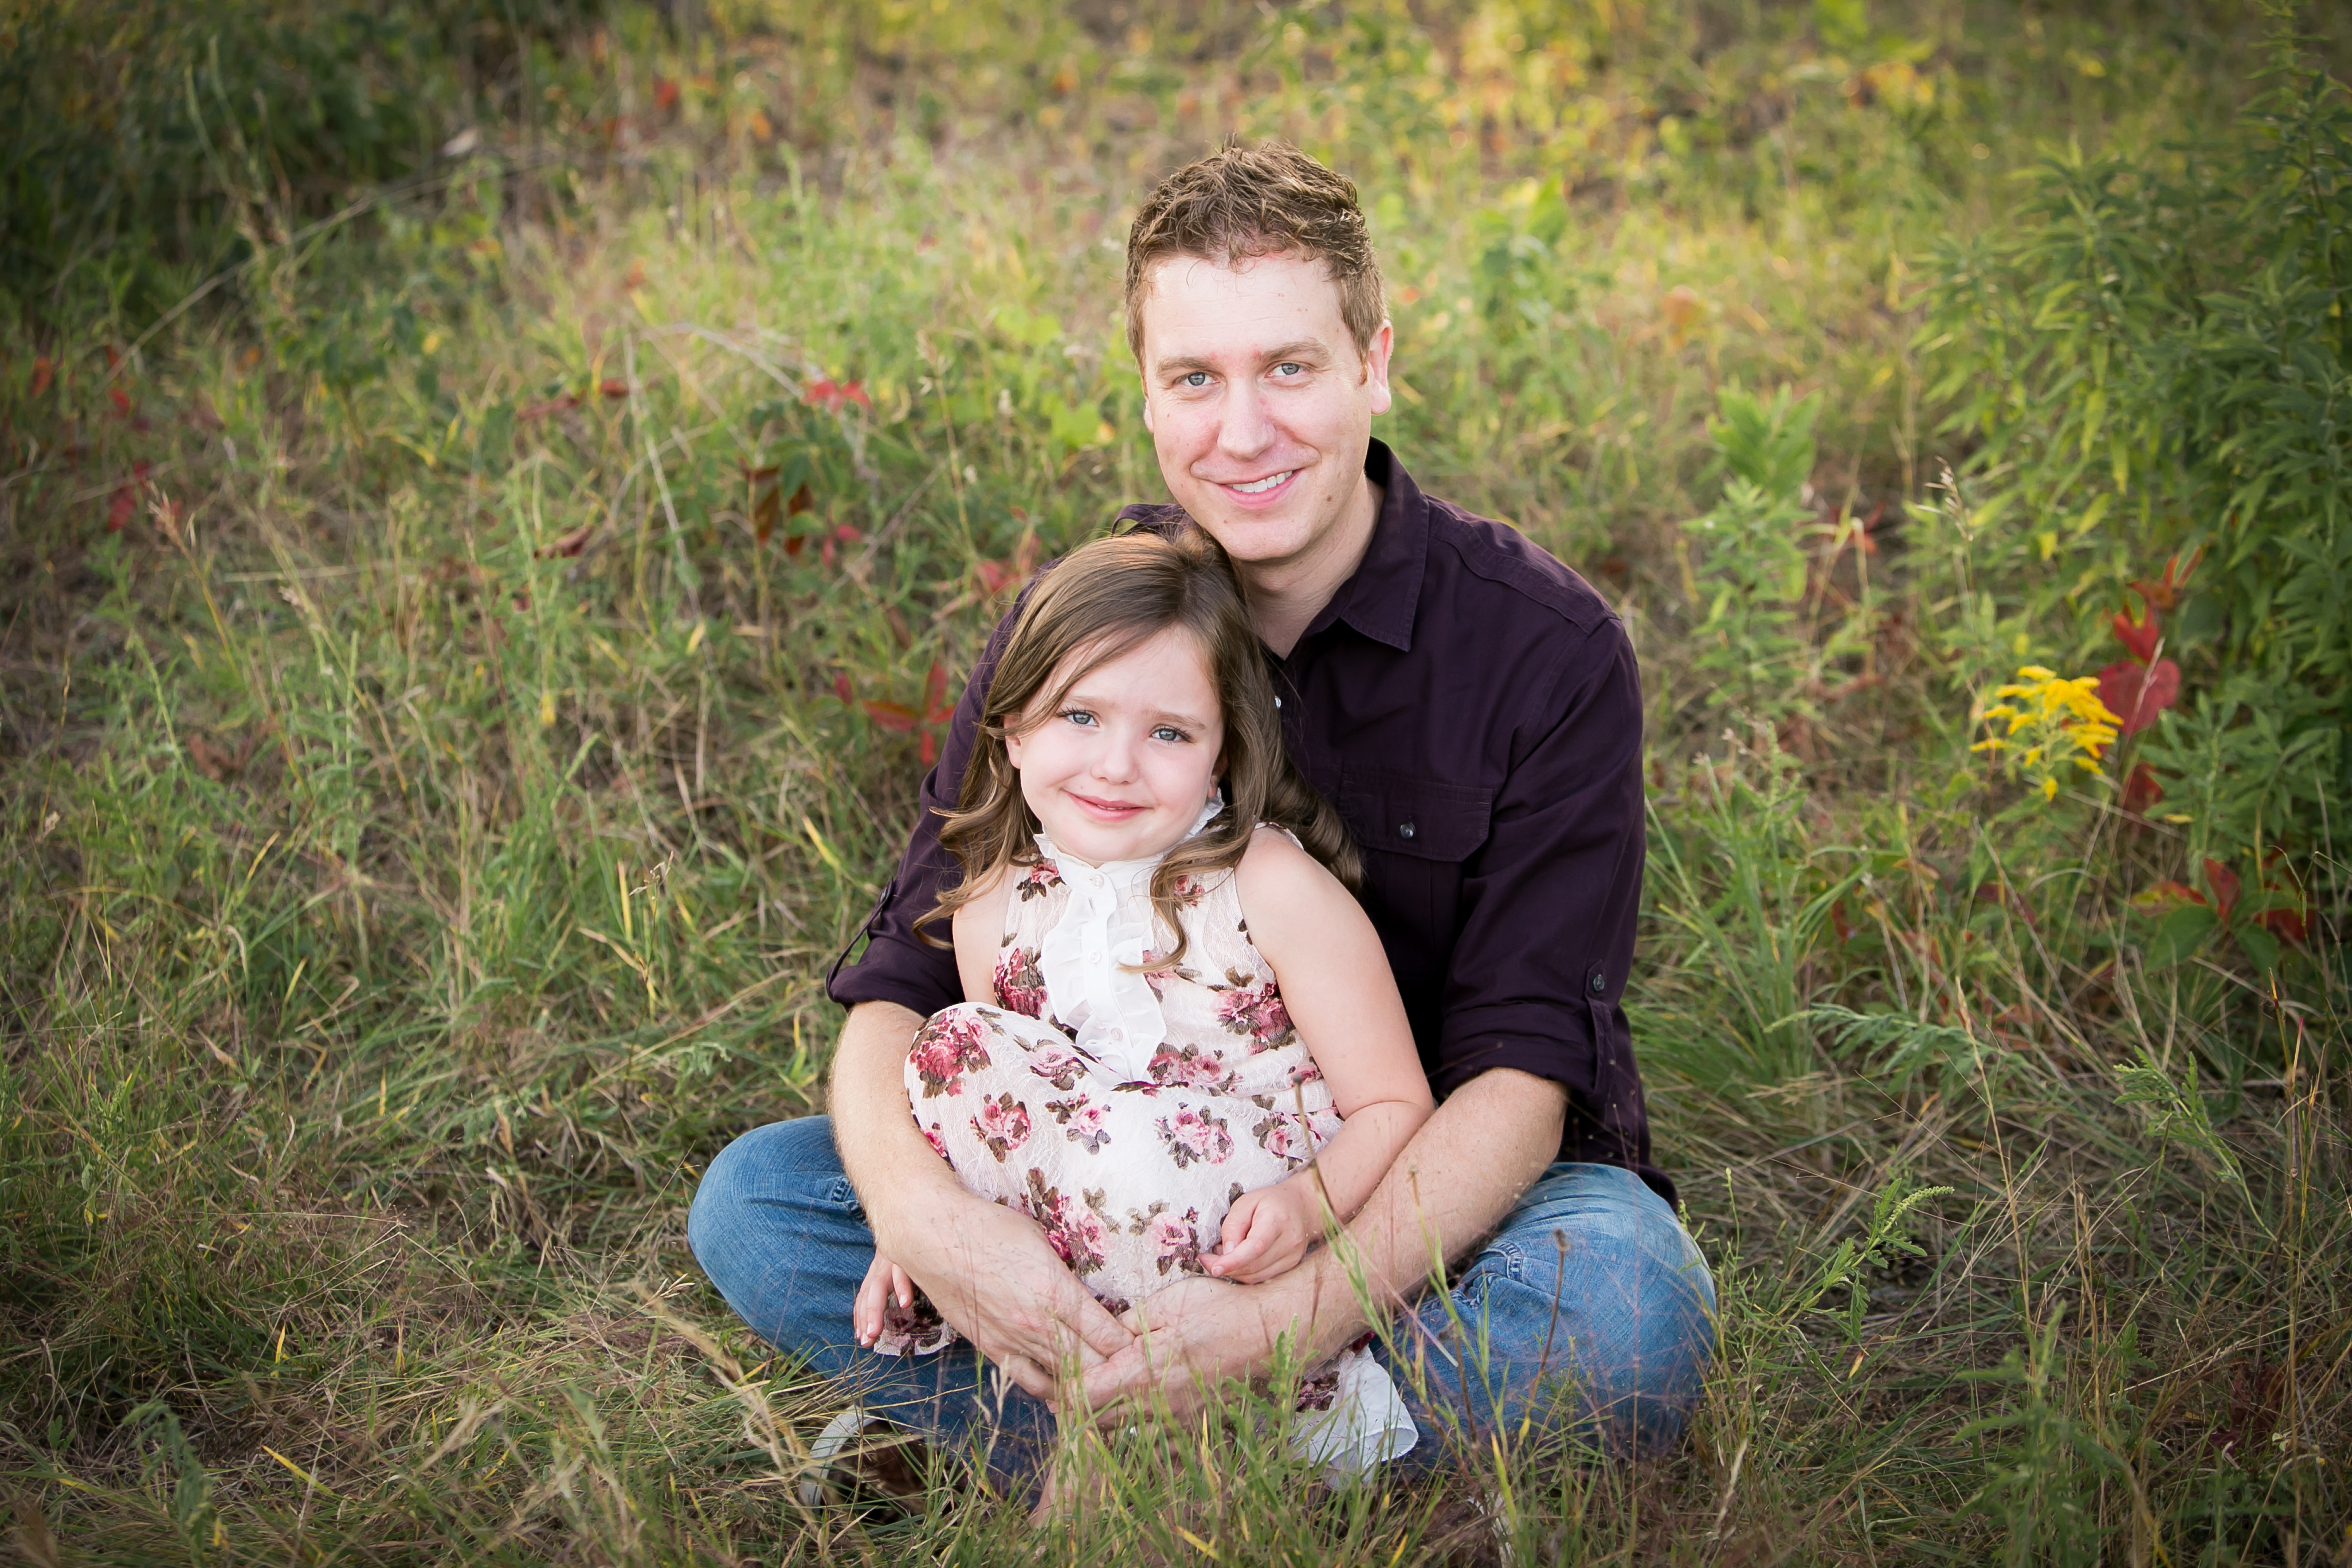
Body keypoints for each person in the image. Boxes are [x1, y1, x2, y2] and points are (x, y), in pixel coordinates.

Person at [688, 140, 1716, 1492]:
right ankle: (1303, 1459)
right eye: (1194, 379)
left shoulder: (1545, 652)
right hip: (1104, 1172)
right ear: (1147, 391)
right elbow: (906, 976)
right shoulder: (1087, 624)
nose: (1241, 433)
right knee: (757, 1206)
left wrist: (1299, 1313)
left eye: (1288, 367)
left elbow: (1525, 1077)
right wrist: (928, 1218)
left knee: (1631, 1311)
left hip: (1429, 1197)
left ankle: (1097, 1438)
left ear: (1373, 363)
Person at [851, 527, 1434, 1480]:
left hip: (1243, 1243)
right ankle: (1111, 1419)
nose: (1117, 765)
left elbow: (1396, 1105)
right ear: (1013, 728)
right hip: (1078, 1257)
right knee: (950, 1050)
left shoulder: (1268, 887)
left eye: (1169, 733)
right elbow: (1007, 1130)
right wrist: (924, 1228)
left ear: (1222, 754)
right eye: (1080, 716)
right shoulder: (995, 906)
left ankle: (1110, 1462)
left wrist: (1306, 1204)